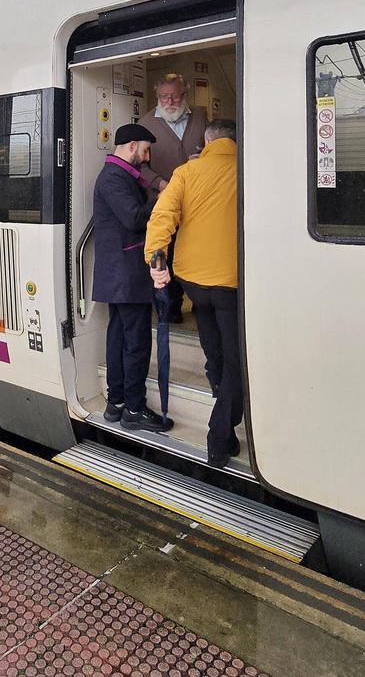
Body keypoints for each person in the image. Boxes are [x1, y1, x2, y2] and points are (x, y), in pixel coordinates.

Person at [144, 120, 240, 467]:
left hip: (193, 281)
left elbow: (163, 215)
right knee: (236, 360)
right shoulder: (246, 170)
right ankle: (219, 434)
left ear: (207, 140)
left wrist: (156, 256)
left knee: (214, 346)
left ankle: (221, 396)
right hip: (232, 281)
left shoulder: (186, 172)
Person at [92, 123, 173, 433]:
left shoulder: (117, 176)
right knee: (135, 342)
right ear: (130, 146)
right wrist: (163, 198)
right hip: (126, 274)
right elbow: (134, 217)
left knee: (119, 338)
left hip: (119, 275)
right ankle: (134, 409)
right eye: (145, 149)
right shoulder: (114, 178)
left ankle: (116, 404)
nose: (147, 156)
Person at [138, 73, 209, 324]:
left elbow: (211, 149)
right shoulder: (145, 122)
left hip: (198, 202)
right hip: (164, 202)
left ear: (185, 93)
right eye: (163, 97)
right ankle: (170, 311)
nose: (169, 101)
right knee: (165, 252)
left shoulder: (200, 116)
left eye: (175, 96)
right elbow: (139, 167)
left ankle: (202, 305)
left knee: (197, 252)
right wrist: (161, 183)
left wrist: (204, 158)